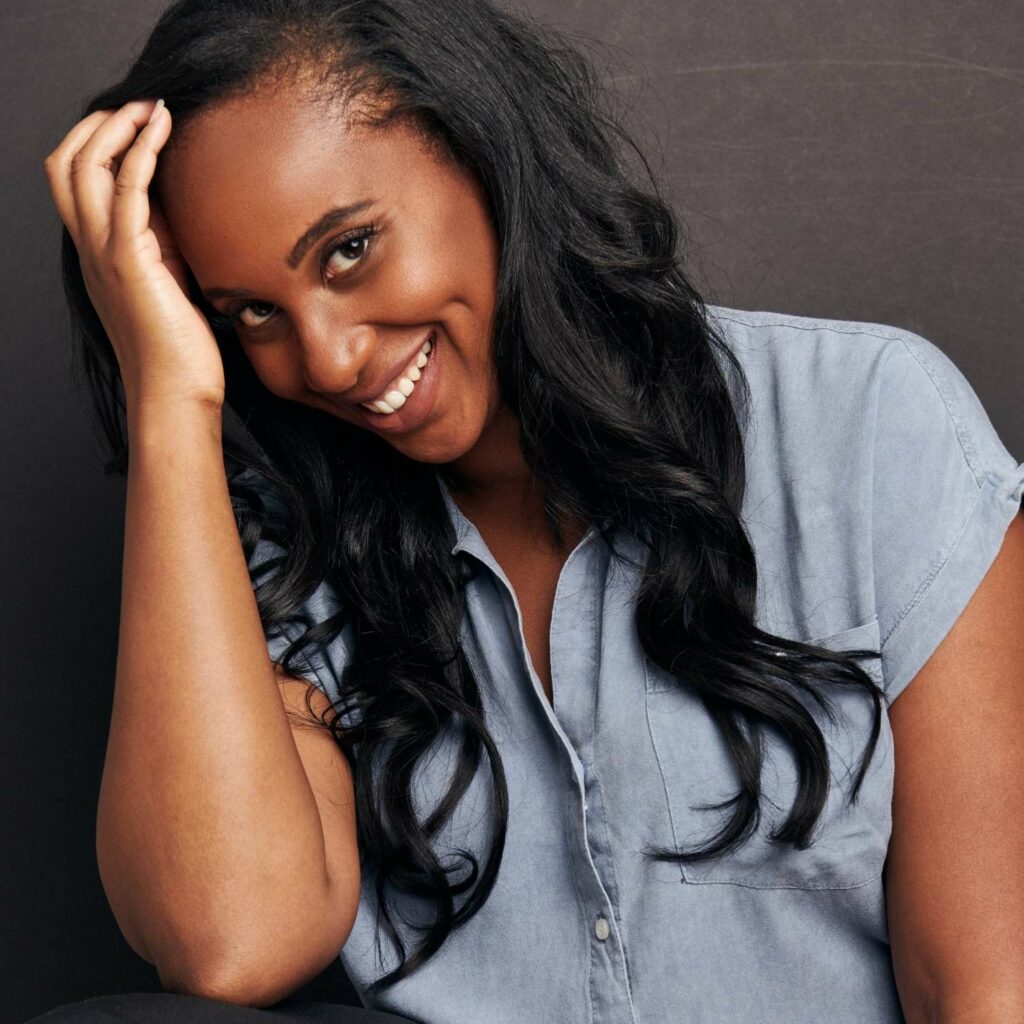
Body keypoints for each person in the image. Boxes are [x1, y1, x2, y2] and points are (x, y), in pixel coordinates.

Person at [34, 0, 1024, 1021]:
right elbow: (229, 944)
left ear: (482, 152)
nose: (325, 358)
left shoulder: (864, 428)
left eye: (348, 250)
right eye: (249, 314)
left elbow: (985, 993)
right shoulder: (295, 536)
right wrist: (169, 403)